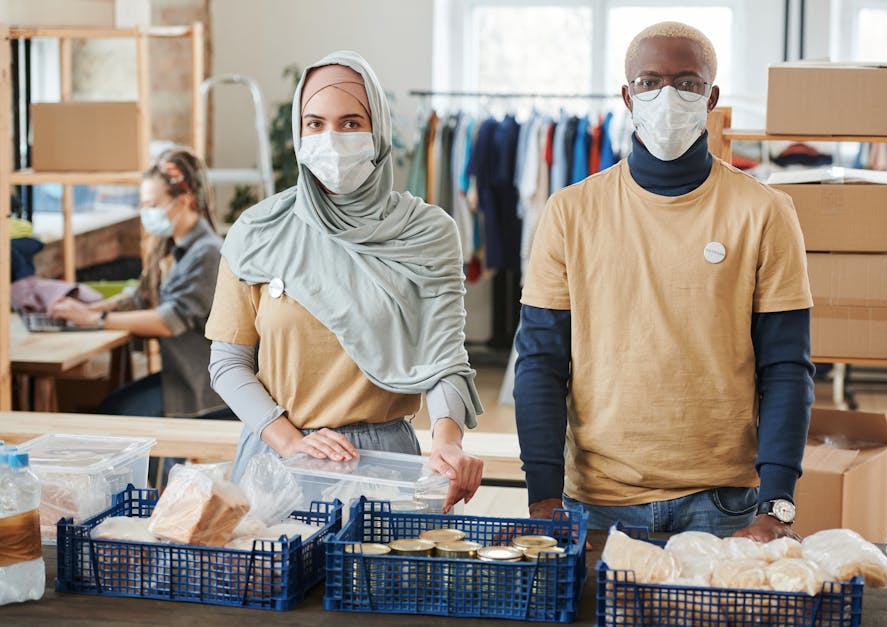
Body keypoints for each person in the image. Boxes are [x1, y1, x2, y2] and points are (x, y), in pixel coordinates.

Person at [515, 21, 814, 541]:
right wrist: (543, 494)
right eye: (650, 82)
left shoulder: (765, 211)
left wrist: (778, 503)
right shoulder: (570, 212)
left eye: (687, 82)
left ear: (711, 96)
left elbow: (787, 366)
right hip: (597, 499)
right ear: (627, 95)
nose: (667, 95)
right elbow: (541, 360)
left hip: (724, 502)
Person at [206, 51, 484, 512]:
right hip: (276, 454)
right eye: (314, 123)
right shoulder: (258, 232)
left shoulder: (426, 232)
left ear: (378, 132)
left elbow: (444, 358)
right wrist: (290, 442)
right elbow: (227, 363)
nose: (331, 139)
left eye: (351, 122)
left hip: (383, 462)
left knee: (380, 584)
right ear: (299, 133)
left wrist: (447, 439)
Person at [49, 148, 226, 420]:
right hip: (182, 375)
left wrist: (97, 319)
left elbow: (169, 321)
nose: (146, 213)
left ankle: (166, 463)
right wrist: (91, 309)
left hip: (204, 385)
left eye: (152, 205)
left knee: (118, 411)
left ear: (185, 201)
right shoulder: (175, 248)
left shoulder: (208, 253)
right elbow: (142, 296)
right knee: (114, 403)